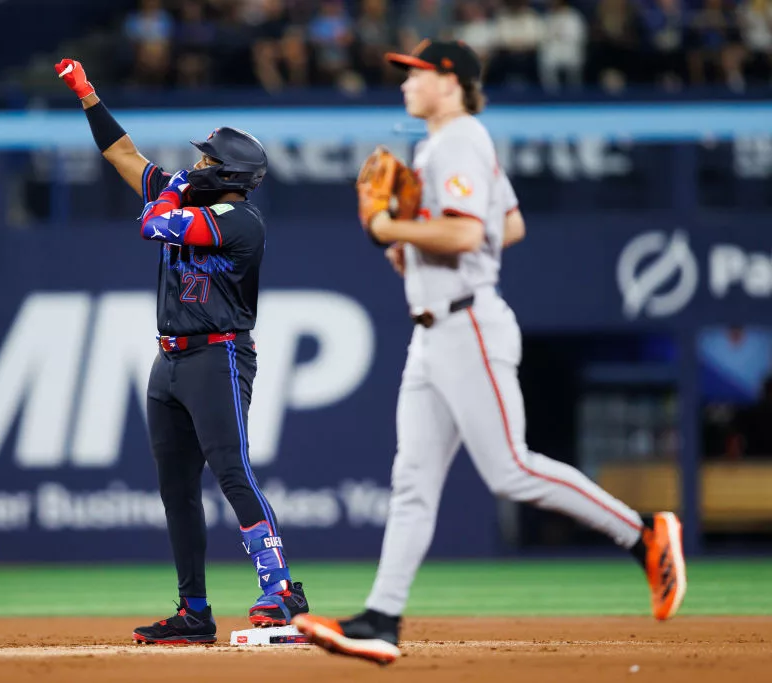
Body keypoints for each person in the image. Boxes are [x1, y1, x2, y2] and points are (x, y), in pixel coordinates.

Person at [291, 40, 687, 665]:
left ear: (450, 81)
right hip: (433, 332)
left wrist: (391, 229)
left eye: (416, 74)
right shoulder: (447, 144)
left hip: (467, 323)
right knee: (412, 482)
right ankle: (381, 619)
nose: (404, 84)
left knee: (510, 469)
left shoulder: (458, 140)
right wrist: (415, 247)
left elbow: (470, 232)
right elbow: (510, 225)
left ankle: (643, 534)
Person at [54, 57, 309, 644]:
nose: (196, 164)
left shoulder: (239, 219)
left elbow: (154, 226)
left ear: (228, 174)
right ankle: (194, 612)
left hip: (217, 355)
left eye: (207, 159)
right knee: (176, 488)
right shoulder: (189, 195)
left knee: (232, 470)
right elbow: (121, 155)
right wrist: (88, 95)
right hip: (168, 360)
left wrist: (170, 188)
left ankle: (283, 593)